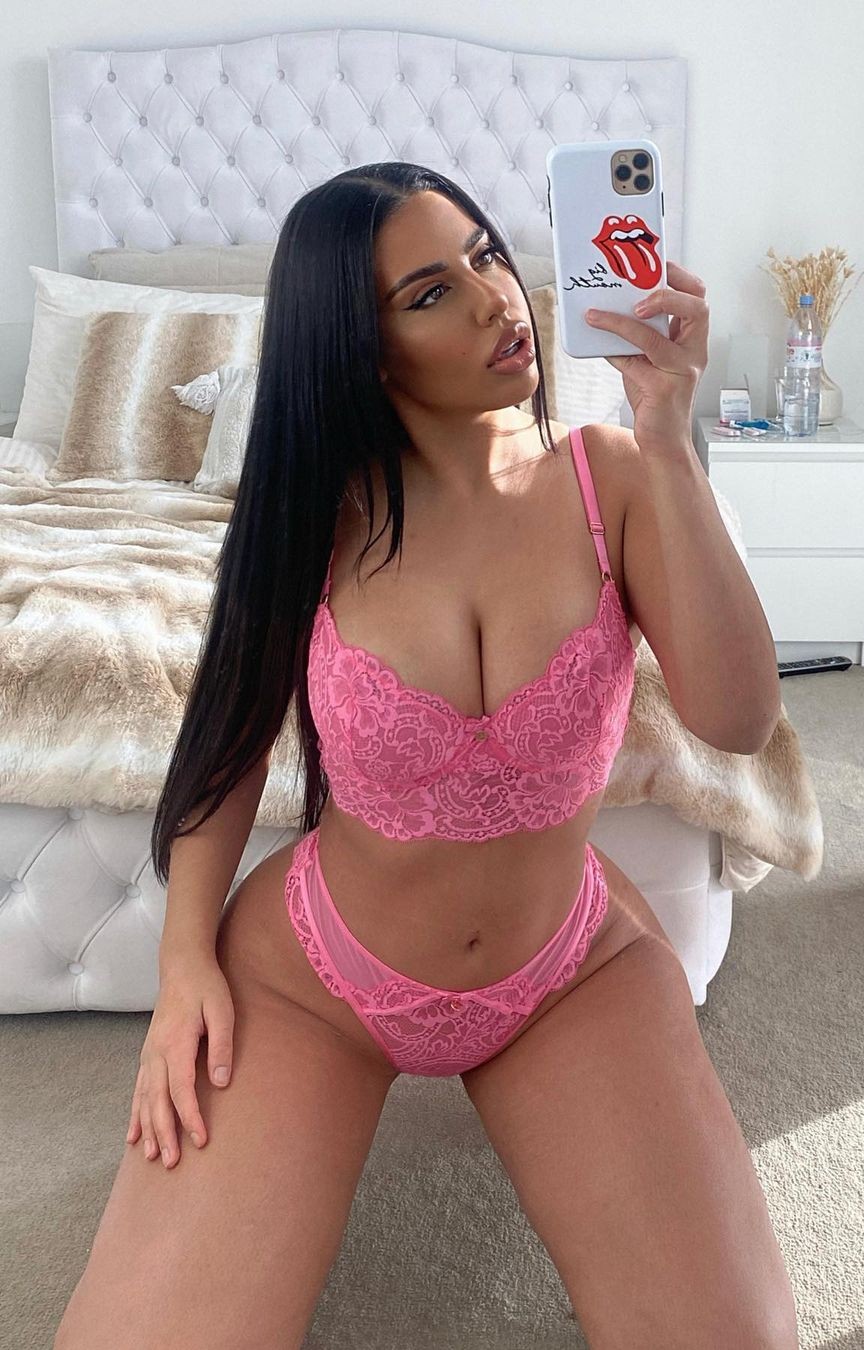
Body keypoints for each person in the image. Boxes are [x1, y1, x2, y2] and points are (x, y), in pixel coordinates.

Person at [54, 163, 797, 1350]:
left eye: (489, 253)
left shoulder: (611, 476)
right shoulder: (314, 514)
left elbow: (741, 719)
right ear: (364, 349)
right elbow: (224, 746)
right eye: (431, 292)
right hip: (314, 981)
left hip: (567, 970)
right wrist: (184, 965)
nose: (499, 298)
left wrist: (671, 436)